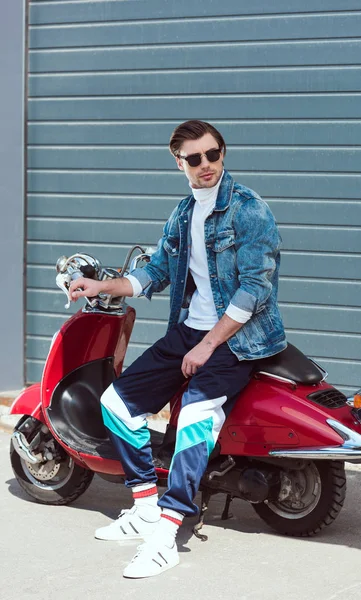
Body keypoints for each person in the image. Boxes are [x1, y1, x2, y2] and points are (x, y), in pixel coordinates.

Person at [69, 120, 286, 579]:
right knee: (115, 404)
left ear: (222, 154)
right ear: (179, 162)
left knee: (193, 416)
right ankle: (146, 506)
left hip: (240, 339)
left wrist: (208, 345)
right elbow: (153, 273)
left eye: (212, 155)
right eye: (194, 158)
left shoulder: (249, 210)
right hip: (189, 330)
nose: (205, 165)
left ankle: (166, 535)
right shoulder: (182, 213)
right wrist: (99, 284)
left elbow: (254, 290)